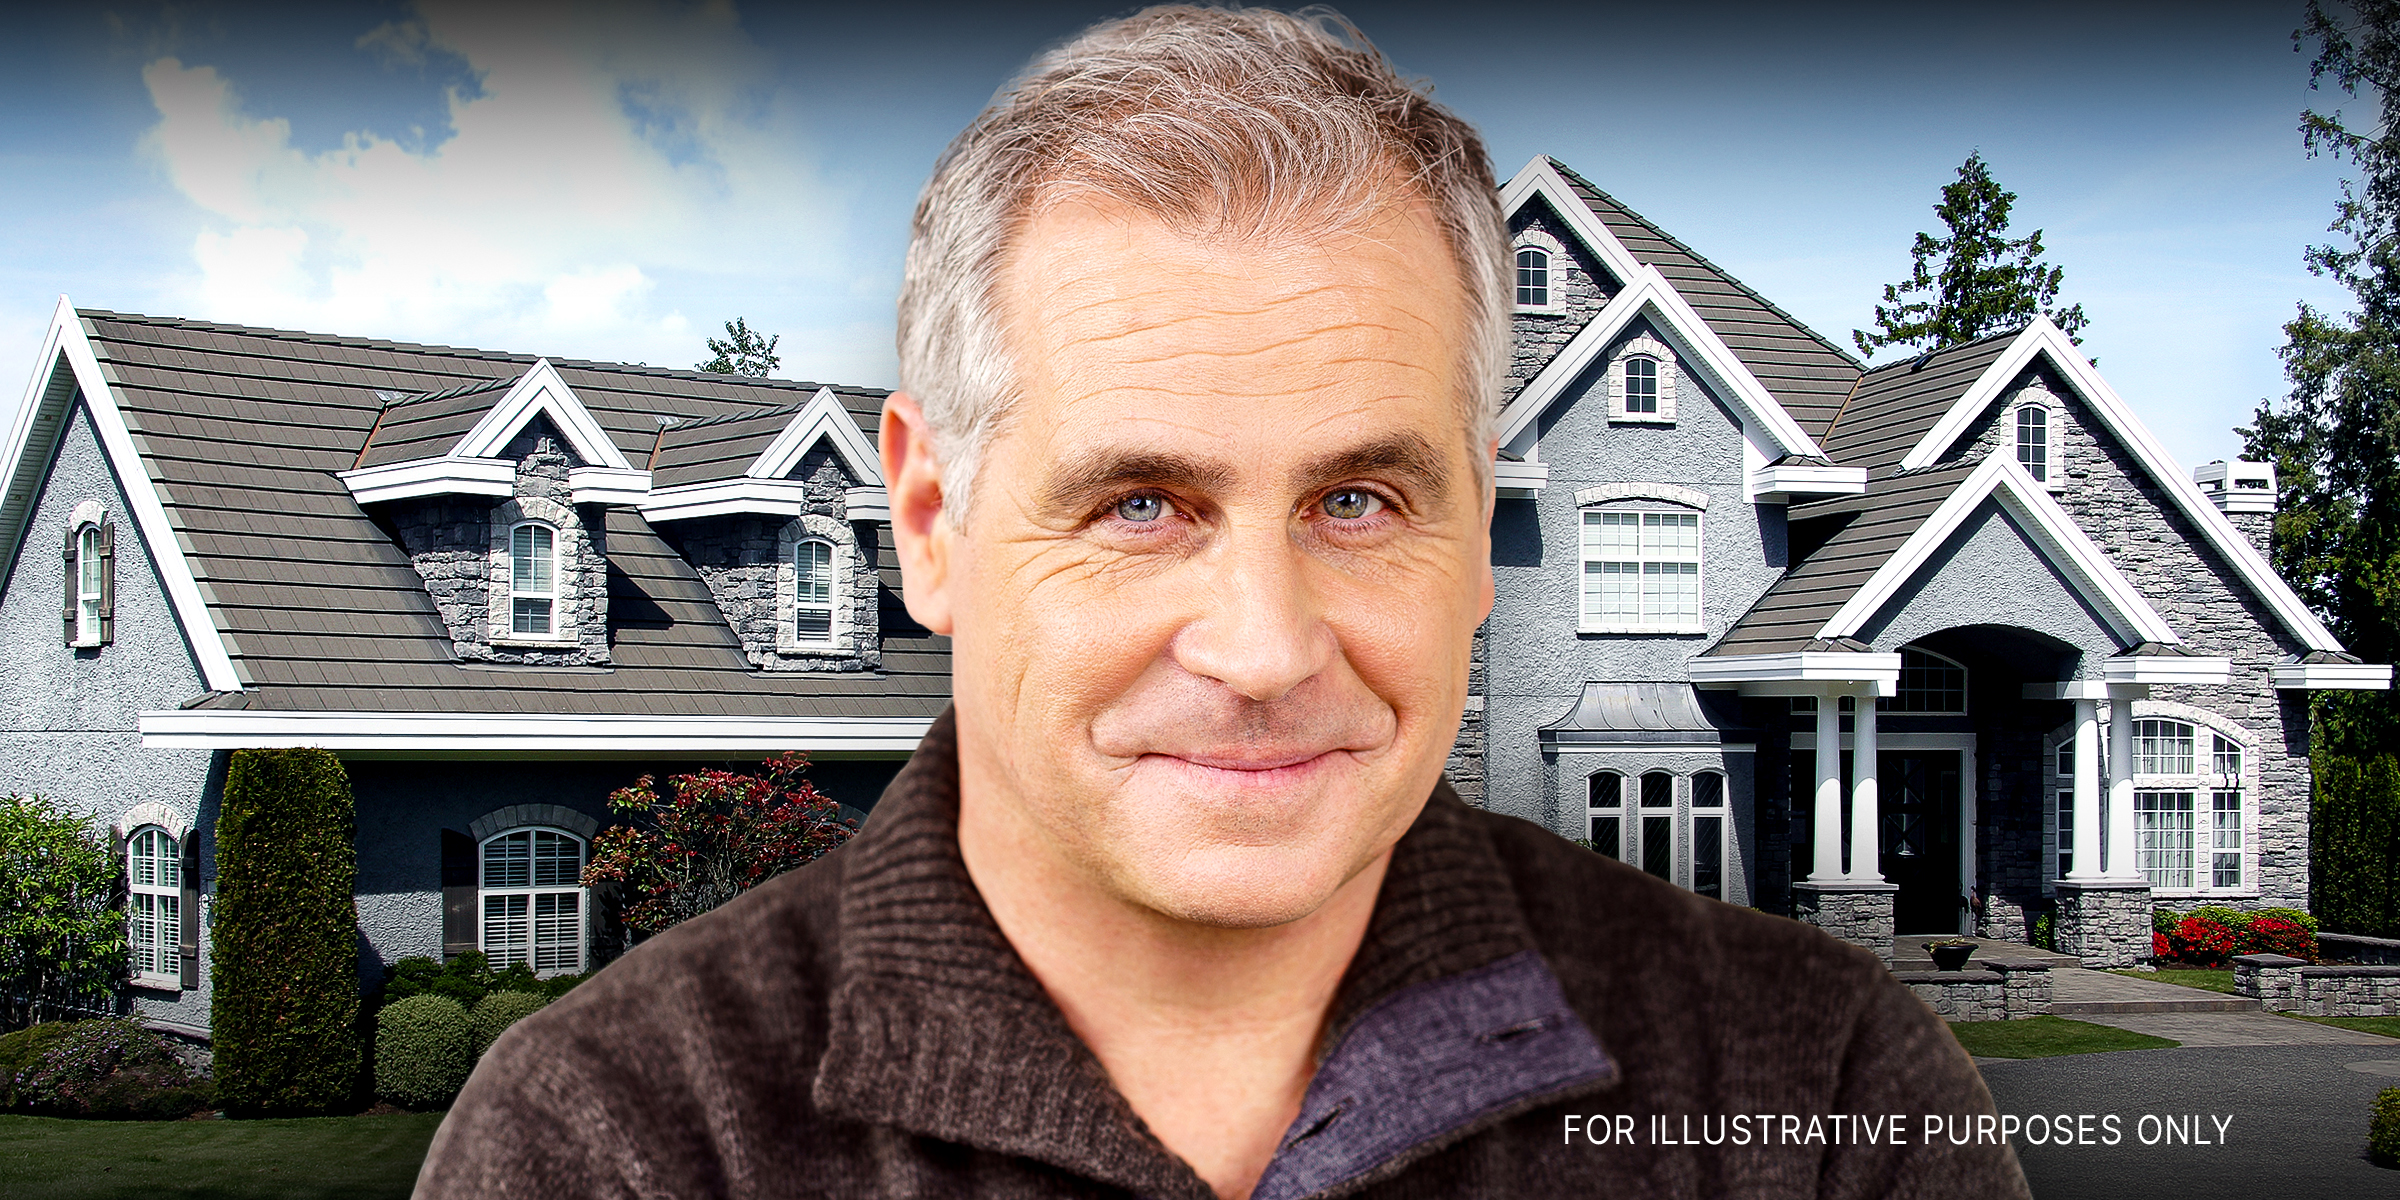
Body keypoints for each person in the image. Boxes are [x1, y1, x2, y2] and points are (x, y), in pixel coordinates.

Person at [416, 8, 2030, 1198]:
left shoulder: (1820, 1103)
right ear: (931, 525)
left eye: (1358, 500)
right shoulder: (616, 1141)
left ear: (1477, 532)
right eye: (1139, 504)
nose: (1262, 648)